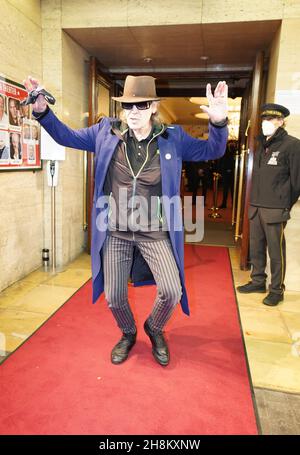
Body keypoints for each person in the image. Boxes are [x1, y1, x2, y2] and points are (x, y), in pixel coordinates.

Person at [24, 75, 228, 366]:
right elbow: (65, 136)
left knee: (171, 290)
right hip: (116, 231)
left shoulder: (173, 137)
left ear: (154, 107)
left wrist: (218, 122)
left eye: (141, 105)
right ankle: (128, 332)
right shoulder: (106, 133)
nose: (133, 112)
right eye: (127, 106)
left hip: (154, 231)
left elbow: (213, 150)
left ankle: (154, 328)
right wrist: (43, 110)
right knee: (114, 297)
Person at [237, 103, 300, 306]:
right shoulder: (261, 144)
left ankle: (276, 289)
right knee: (256, 248)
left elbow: (297, 180)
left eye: (271, 120)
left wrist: (284, 204)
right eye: (264, 120)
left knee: (275, 252)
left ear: (281, 122)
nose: (266, 124)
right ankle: (258, 281)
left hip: (275, 208)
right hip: (256, 205)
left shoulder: (292, 145)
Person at [219, 139, 236, 208]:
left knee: (233, 190)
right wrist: (224, 170)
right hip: (225, 173)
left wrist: (232, 169)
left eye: (233, 143)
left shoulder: (236, 150)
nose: (232, 144)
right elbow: (223, 161)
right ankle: (224, 203)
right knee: (225, 189)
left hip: (234, 173)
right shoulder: (225, 150)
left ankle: (234, 204)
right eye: (230, 143)